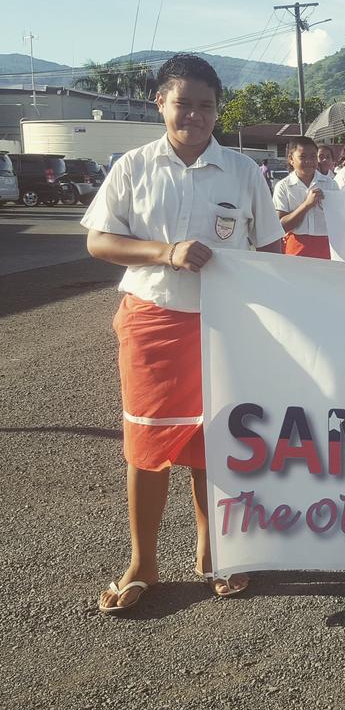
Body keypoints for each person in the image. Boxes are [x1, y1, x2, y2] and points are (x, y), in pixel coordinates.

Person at [81, 53, 284, 614]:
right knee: (147, 446)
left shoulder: (244, 171)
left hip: (227, 326)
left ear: (218, 110)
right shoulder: (133, 167)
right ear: (160, 104)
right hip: (152, 319)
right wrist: (165, 253)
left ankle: (215, 551)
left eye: (205, 105)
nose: (194, 114)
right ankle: (142, 562)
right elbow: (98, 241)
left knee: (215, 444)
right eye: (183, 103)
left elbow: (271, 248)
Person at [273, 136, 332, 259]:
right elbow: (281, 226)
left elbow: (339, 220)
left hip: (326, 247)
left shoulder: (330, 184)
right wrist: (306, 205)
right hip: (295, 248)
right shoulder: (283, 186)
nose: (309, 161)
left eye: (313, 156)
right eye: (303, 157)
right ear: (291, 159)